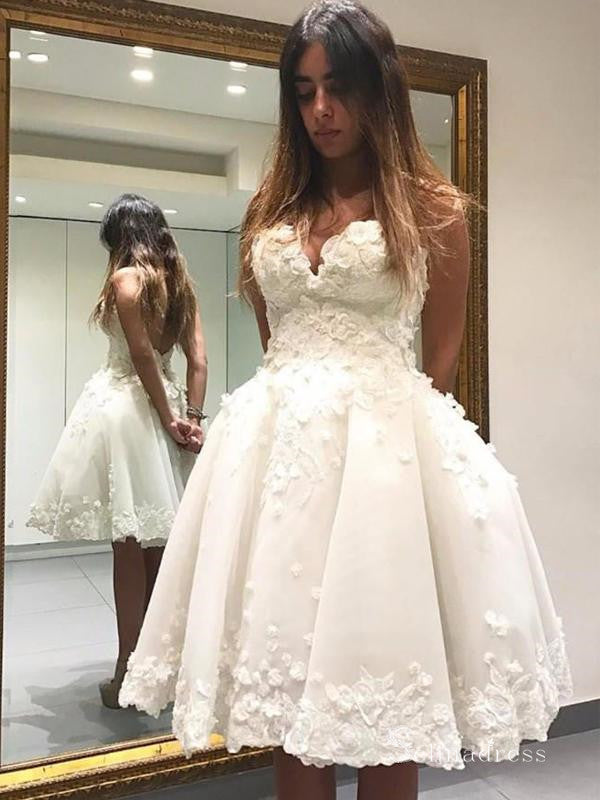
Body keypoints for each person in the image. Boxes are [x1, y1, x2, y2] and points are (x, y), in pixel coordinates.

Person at [118, 3, 574, 799]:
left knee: (386, 704)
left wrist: (388, 469)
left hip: (383, 468)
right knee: (292, 701)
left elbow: (439, 362)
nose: (321, 110)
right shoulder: (271, 208)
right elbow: (277, 339)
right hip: (278, 463)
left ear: (378, 88)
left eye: (339, 87)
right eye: (304, 92)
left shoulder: (433, 210)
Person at [27, 193, 208, 709]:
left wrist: (166, 417)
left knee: (128, 547)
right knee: (159, 548)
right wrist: (191, 419)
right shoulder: (180, 285)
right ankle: (163, 666)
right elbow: (198, 361)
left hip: (129, 412)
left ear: (120, 235)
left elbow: (141, 355)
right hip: (168, 410)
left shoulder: (126, 280)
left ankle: (129, 669)